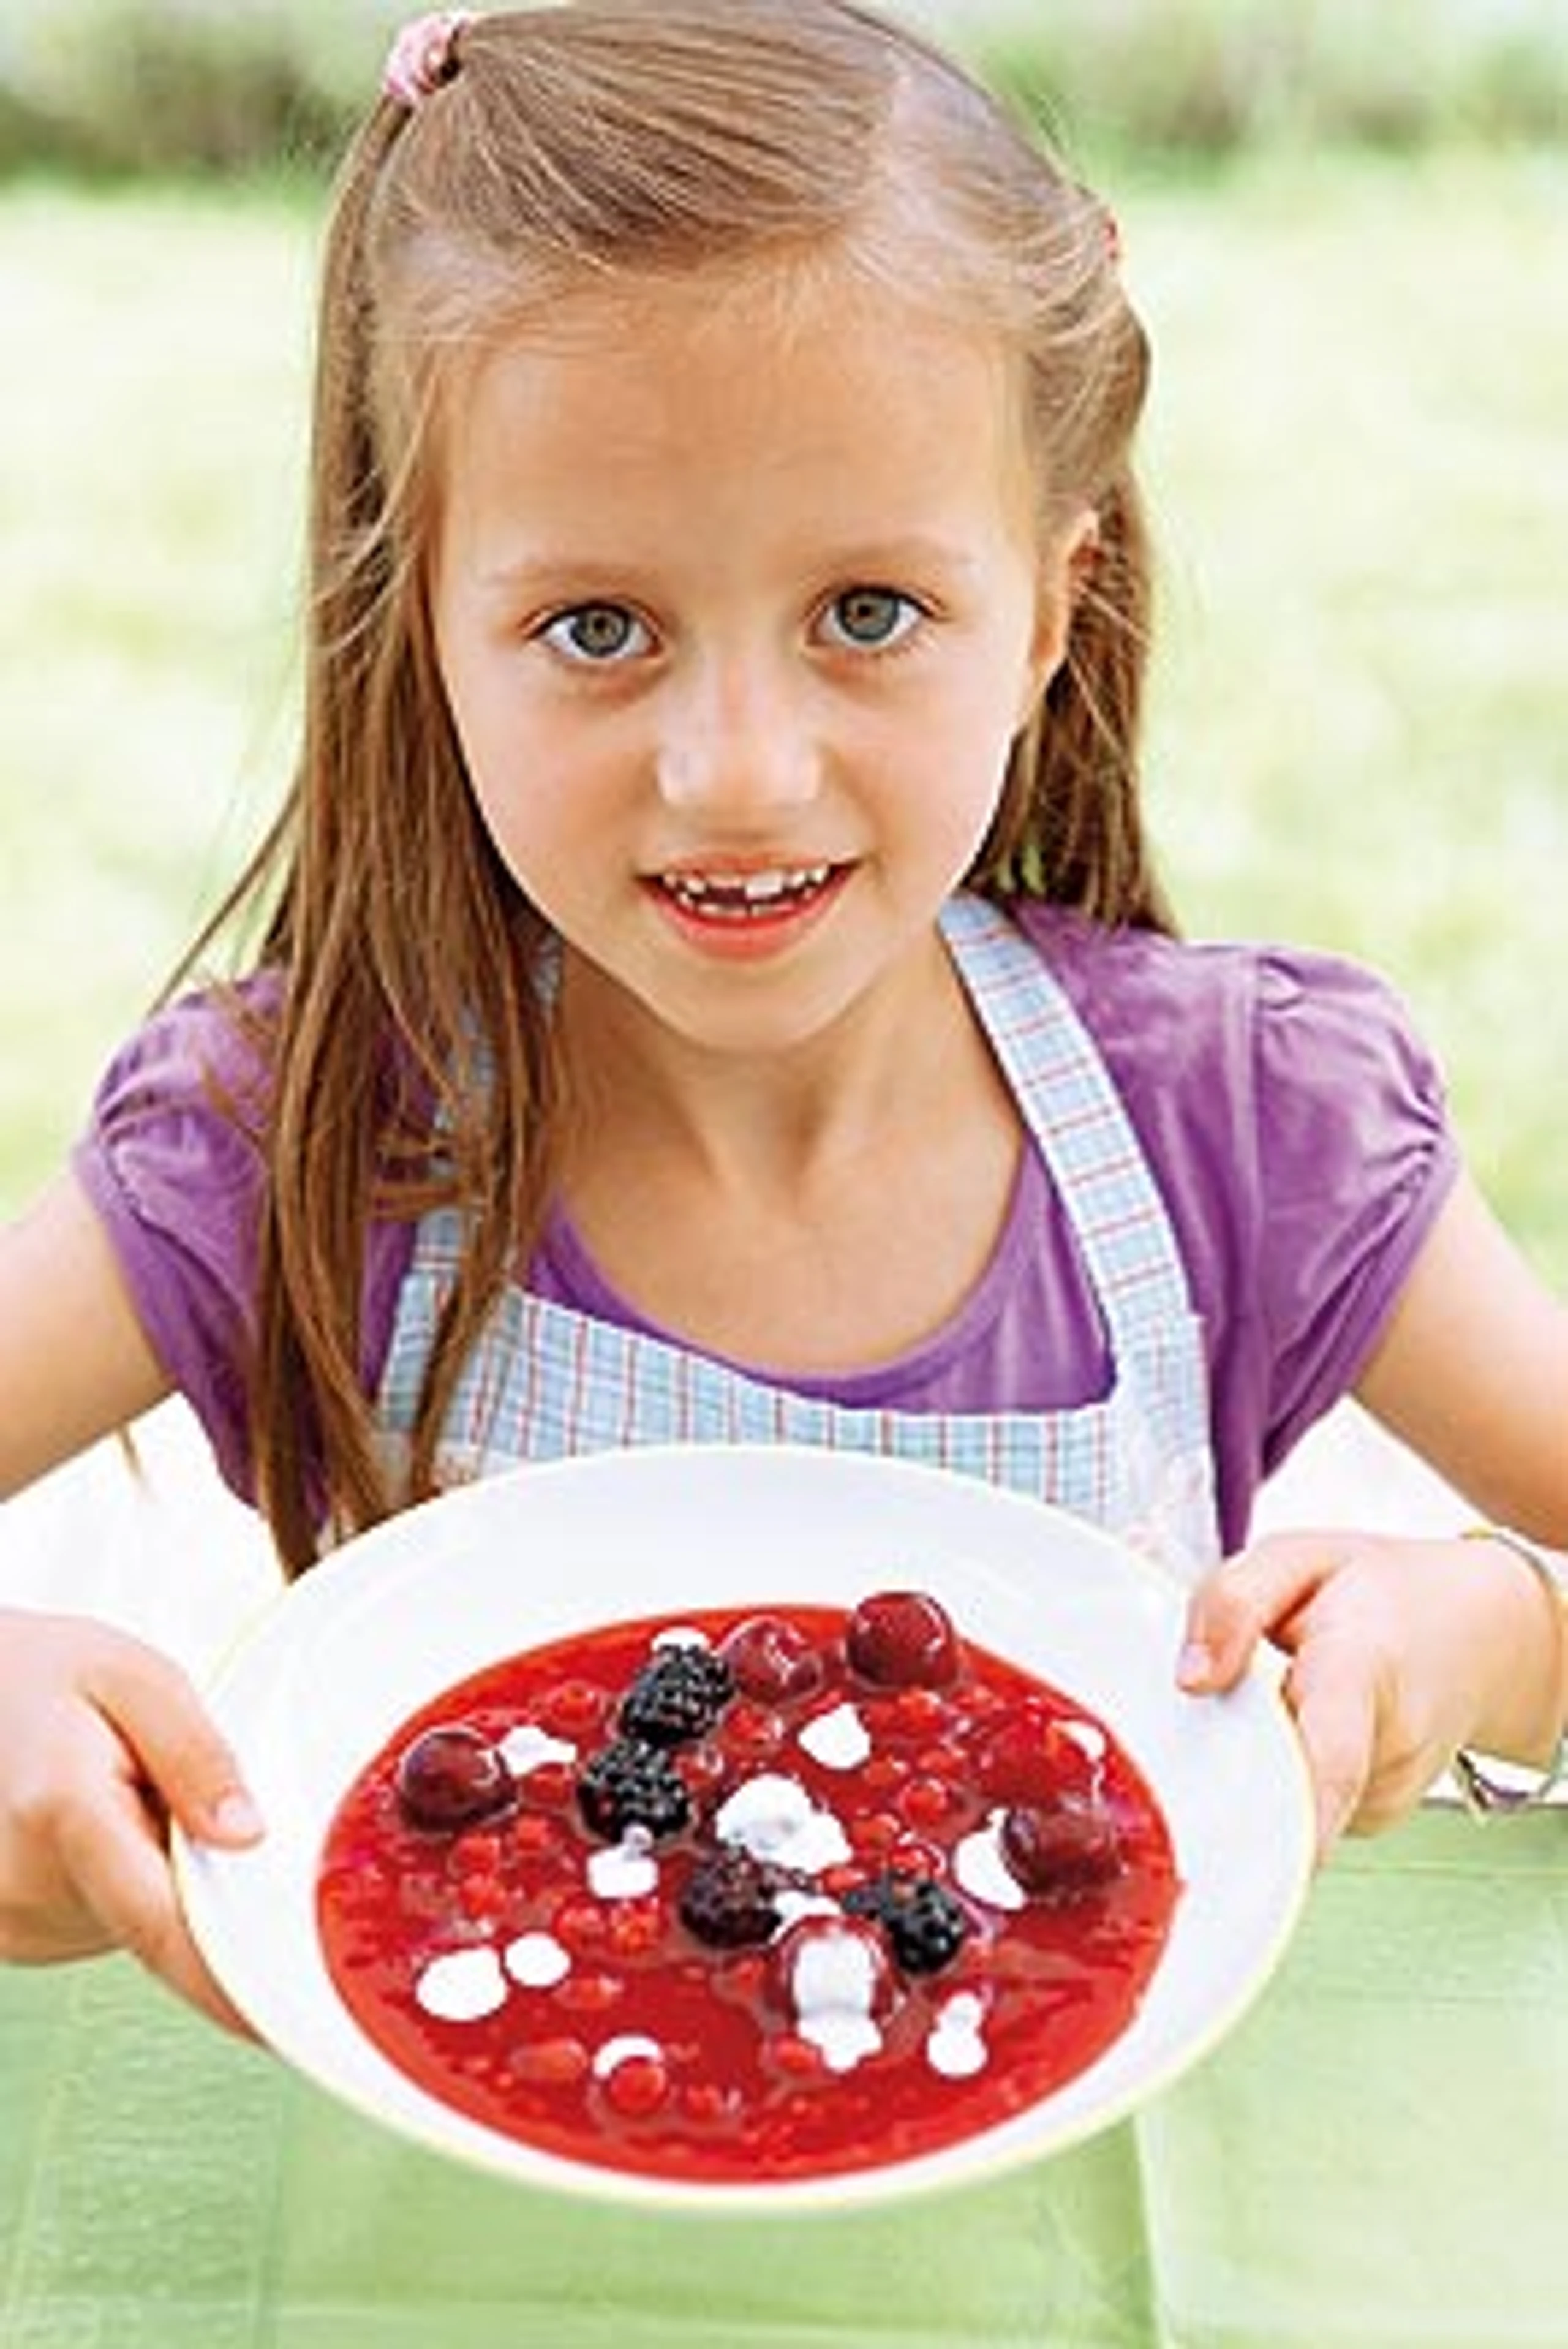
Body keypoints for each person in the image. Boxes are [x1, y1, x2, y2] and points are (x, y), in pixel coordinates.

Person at [1, 0, 1564, 2034]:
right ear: (421, 625)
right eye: (596, 629)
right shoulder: (288, 1135)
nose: (737, 770)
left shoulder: (1245, 1133)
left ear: (1049, 606)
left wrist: (1510, 1640)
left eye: (868, 615)